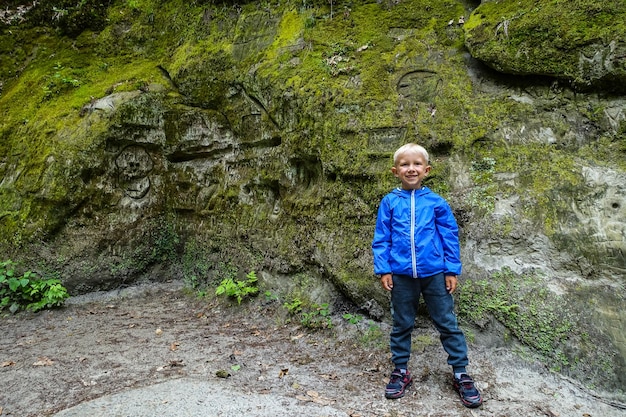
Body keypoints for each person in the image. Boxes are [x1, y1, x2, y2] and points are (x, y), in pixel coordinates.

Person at [371, 143, 482, 408]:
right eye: (405, 165)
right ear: (395, 171)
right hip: (400, 275)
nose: (411, 169)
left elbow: (449, 236)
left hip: (434, 274)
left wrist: (452, 269)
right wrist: (384, 268)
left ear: (427, 169)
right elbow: (381, 238)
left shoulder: (436, 202)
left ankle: (461, 373)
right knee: (402, 323)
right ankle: (400, 370)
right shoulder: (389, 202)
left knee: (447, 322)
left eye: (417, 164)